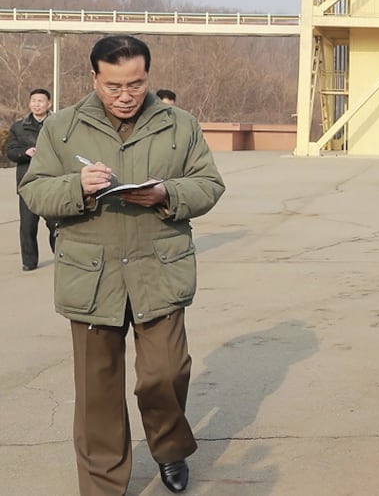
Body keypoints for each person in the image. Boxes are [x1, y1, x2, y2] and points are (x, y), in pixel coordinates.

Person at [19, 35, 225, 495]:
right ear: (94, 78)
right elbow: (34, 191)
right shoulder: (63, 128)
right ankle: (103, 486)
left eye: (135, 83)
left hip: (160, 269)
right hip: (91, 276)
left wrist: (166, 193)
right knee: (97, 395)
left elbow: (209, 185)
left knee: (165, 374)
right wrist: (78, 186)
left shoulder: (180, 125)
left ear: (148, 77)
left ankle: (170, 447)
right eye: (114, 86)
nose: (126, 95)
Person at [6, 87, 56, 270]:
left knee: (55, 224)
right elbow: (10, 152)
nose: (37, 104)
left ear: (48, 104)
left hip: (51, 182)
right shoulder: (18, 127)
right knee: (28, 226)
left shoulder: (58, 123)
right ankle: (29, 262)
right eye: (33, 101)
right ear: (29, 103)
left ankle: (60, 255)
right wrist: (25, 152)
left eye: (40, 101)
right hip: (27, 182)